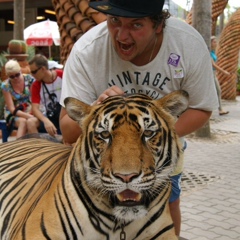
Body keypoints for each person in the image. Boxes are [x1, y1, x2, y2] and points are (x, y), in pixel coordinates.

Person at [59, 0, 218, 236]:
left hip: (158, 146)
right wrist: (95, 111)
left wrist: (159, 134)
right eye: (115, 21)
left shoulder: (188, 45)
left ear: (158, 25)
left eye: (135, 24)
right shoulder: (87, 51)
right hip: (102, 153)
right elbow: (67, 131)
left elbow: (202, 108)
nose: (122, 35)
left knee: (169, 200)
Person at [1, 59, 39, 138]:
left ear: (20, 70)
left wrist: (31, 113)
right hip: (14, 113)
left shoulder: (30, 80)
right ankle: (19, 147)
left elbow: (34, 100)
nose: (15, 78)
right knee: (23, 122)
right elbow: (12, 109)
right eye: (12, 76)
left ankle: (32, 146)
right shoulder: (6, 85)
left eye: (17, 75)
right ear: (8, 76)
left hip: (30, 108)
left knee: (29, 122)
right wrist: (27, 116)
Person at [29, 54, 63, 137]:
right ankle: (39, 148)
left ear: (43, 69)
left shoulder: (62, 75)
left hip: (64, 114)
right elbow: (35, 108)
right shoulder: (36, 85)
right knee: (30, 122)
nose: (32, 75)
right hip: (49, 116)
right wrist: (45, 120)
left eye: (33, 72)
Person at [210, 36, 230, 115]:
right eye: (214, 42)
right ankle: (220, 109)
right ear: (210, 43)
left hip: (214, 74)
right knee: (217, 91)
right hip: (210, 74)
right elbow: (213, 65)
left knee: (217, 91)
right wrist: (224, 72)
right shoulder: (209, 52)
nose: (216, 43)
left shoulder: (213, 52)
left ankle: (219, 109)